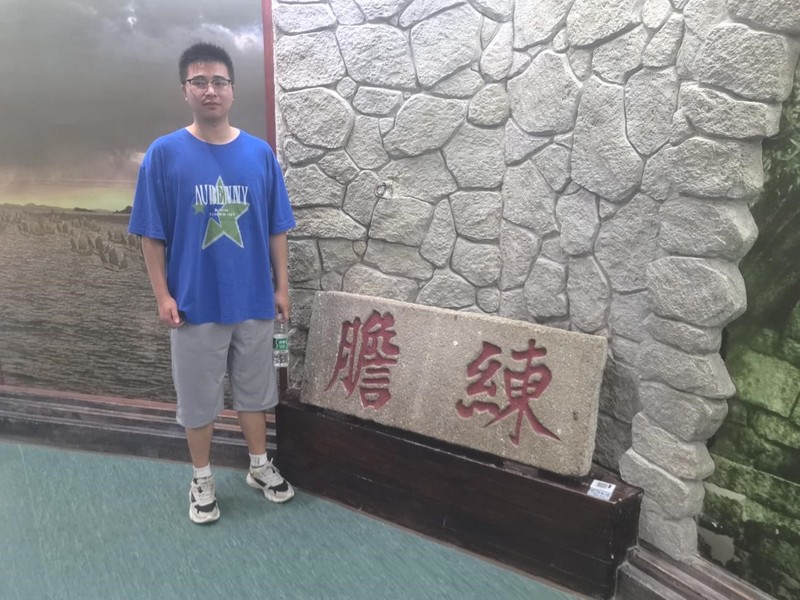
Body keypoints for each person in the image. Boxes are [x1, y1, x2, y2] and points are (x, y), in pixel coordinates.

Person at [128, 42, 295, 524]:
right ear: (185, 90)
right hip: (194, 304)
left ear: (232, 90)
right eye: (199, 81)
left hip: (254, 300)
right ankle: (201, 478)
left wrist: (282, 286)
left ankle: (259, 466)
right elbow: (151, 235)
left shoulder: (260, 154)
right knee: (198, 400)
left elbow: (277, 228)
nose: (210, 90)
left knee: (256, 392)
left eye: (219, 81)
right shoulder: (163, 155)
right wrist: (163, 295)